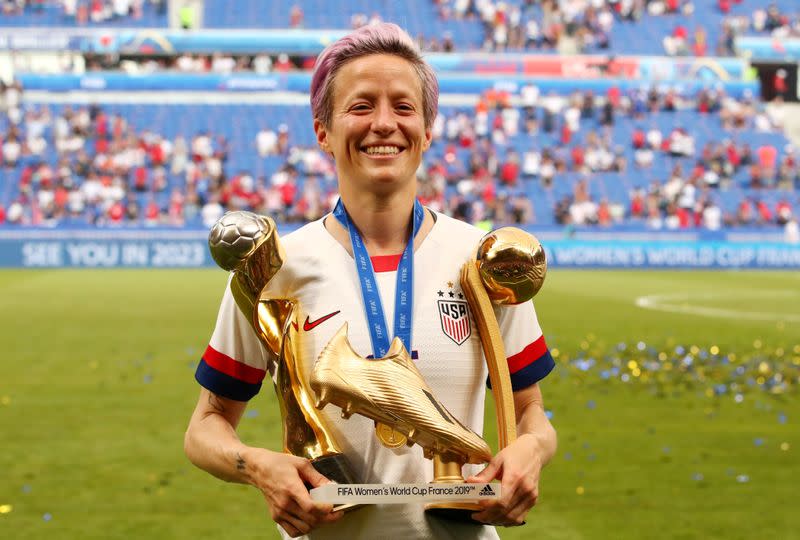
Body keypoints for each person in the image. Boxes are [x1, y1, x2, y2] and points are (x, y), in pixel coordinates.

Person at [184, 23, 556, 539]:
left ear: (427, 130)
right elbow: (206, 426)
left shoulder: (481, 259)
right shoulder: (273, 267)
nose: (384, 123)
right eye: (361, 107)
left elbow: (530, 410)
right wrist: (257, 466)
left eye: (403, 107)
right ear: (323, 131)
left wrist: (530, 451)